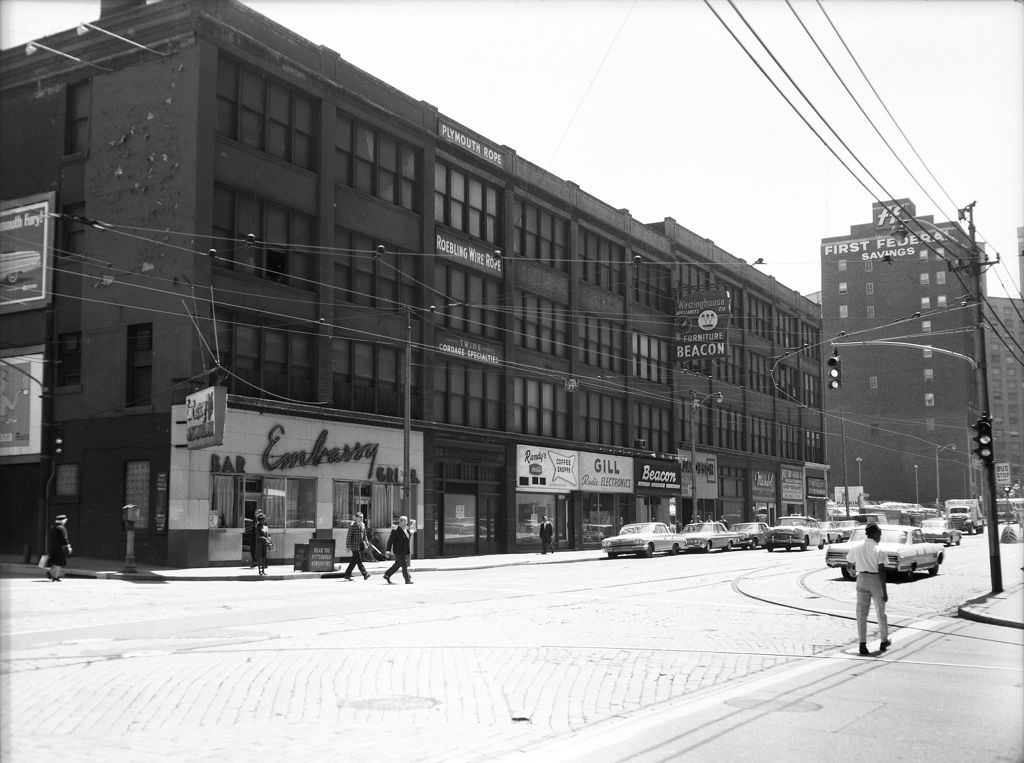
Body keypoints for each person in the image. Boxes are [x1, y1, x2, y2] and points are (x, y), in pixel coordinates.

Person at [849, 522, 890, 656]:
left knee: (861, 613)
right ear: (875, 534)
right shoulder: (879, 550)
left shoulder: (857, 547)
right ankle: (883, 640)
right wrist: (884, 590)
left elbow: (849, 561)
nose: (880, 536)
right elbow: (882, 571)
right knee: (880, 611)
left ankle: (862, 643)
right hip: (875, 580)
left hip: (861, 578)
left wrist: (852, 571)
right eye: (879, 534)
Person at [383, 515, 414, 584]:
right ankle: (407, 579)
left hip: (404, 551)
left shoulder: (407, 530)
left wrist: (411, 533)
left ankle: (387, 575)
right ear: (400, 522)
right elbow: (390, 541)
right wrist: (388, 551)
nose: (406, 523)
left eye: (406, 521)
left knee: (398, 564)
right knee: (404, 564)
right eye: (405, 521)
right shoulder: (395, 530)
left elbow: (407, 539)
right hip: (398, 551)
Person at [340, 512, 371, 580]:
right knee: (359, 560)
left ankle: (347, 575)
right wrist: (347, 546)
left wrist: (367, 542)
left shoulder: (363, 524)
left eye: (362, 517)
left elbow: (364, 535)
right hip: (354, 546)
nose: (361, 518)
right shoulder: (353, 525)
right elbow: (349, 536)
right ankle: (365, 574)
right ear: (356, 518)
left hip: (360, 545)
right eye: (360, 517)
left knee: (354, 561)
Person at [46, 514, 72, 582]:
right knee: (58, 562)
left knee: (53, 561)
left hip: (52, 547)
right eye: (65, 520)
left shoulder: (52, 527)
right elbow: (64, 539)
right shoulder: (61, 528)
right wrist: (68, 546)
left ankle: (50, 572)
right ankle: (55, 576)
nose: (65, 521)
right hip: (60, 548)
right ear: (62, 520)